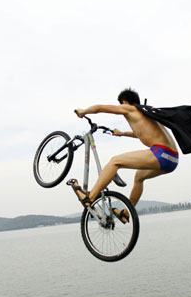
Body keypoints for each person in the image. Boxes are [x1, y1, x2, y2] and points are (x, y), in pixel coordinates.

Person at [68, 88, 179, 223]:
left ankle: (89, 198)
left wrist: (83, 111)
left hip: (162, 153)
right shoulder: (146, 114)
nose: (121, 108)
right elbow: (139, 134)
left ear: (125, 102)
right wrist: (121, 133)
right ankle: (125, 214)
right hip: (172, 159)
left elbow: (100, 108)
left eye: (121, 104)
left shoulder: (131, 109)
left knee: (115, 161)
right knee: (139, 177)